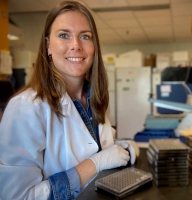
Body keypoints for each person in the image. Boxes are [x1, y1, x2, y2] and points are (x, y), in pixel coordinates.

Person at [0, 1, 139, 199]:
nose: (76, 45)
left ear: (94, 46)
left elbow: (93, 146)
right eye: (64, 35)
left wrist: (121, 146)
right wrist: (95, 164)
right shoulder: (26, 108)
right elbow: (19, 196)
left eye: (85, 36)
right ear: (48, 46)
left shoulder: (96, 99)